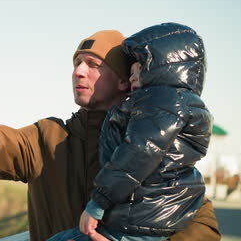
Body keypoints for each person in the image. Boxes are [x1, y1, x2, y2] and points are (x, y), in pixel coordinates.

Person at [0, 28, 221, 241]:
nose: (78, 71)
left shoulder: (156, 139)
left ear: (122, 79)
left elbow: (201, 223)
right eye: (76, 62)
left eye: (92, 64)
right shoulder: (48, 138)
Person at [48, 23, 211, 241]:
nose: (133, 77)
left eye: (139, 71)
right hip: (146, 217)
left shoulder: (160, 103)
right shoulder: (177, 104)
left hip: (134, 221)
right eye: (130, 71)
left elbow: (137, 154)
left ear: (162, 69)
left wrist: (97, 204)